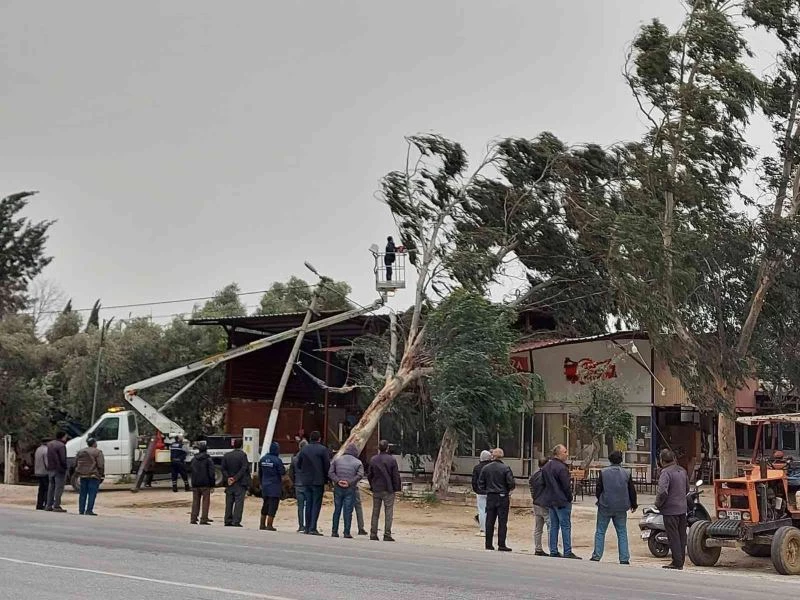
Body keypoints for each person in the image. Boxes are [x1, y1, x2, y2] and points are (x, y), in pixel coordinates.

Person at [590, 450, 638, 564]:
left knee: (600, 531)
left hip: (605, 505)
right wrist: (633, 504)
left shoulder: (603, 472)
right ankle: (624, 558)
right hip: (621, 507)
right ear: (621, 460)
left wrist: (600, 499)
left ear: (610, 460)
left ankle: (597, 556)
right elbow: (631, 490)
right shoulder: (627, 473)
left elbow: (598, 489)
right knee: (622, 532)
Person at [540, 444, 581, 559]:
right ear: (558, 454)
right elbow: (566, 486)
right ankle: (567, 551)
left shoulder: (546, 467)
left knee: (554, 526)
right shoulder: (562, 468)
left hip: (551, 500)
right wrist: (569, 498)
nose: (567, 454)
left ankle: (553, 550)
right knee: (565, 526)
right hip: (562, 501)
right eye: (565, 452)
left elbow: (543, 483)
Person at [656, 448, 689, 570]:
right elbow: (687, 489)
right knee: (681, 536)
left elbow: (662, 492)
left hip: (670, 510)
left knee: (673, 536)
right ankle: (680, 560)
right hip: (682, 508)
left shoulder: (665, 473)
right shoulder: (682, 471)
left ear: (661, 460)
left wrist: (658, 504)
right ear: (674, 458)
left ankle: (677, 562)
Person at [478, 448, 515, 552]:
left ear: (492, 456)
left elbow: (481, 483)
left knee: (490, 520)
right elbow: (511, 483)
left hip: (490, 496)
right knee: (502, 521)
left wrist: (487, 490)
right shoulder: (505, 468)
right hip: (502, 496)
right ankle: (501, 544)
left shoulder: (486, 468)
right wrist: (507, 490)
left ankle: (488, 544)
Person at [295, 430, 330, 535]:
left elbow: (298, 464)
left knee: (308, 503)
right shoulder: (323, 449)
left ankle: (307, 527)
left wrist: (304, 473)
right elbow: (327, 465)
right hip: (318, 480)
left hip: (306, 481)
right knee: (316, 504)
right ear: (319, 439)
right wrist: (327, 479)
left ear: (310, 438)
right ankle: (312, 527)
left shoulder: (304, 449)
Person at [368, 439, 401, 541]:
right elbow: (395, 476)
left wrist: (372, 485)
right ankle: (387, 534)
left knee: (375, 512)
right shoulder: (392, 460)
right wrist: (396, 488)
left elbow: (370, 475)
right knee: (388, 512)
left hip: (377, 489)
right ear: (387, 448)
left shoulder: (373, 459)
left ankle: (373, 533)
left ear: (379, 448)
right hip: (388, 489)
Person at [329, 444, 364, 538]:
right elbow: (360, 474)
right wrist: (350, 482)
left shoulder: (337, 460)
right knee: (348, 511)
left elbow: (330, 473)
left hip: (338, 488)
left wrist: (338, 480)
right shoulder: (358, 462)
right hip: (350, 488)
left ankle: (334, 531)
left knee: (337, 509)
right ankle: (346, 532)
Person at [221, 438, 251, 527]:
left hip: (229, 483)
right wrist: (235, 478)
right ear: (241, 445)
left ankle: (227, 520)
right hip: (240, 482)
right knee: (239, 503)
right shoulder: (243, 455)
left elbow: (223, 468)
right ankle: (236, 521)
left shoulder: (227, 455)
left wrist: (228, 478)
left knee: (229, 502)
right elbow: (244, 468)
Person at [259, 441, 286, 531]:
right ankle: (269, 525)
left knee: (265, 504)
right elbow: (282, 472)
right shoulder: (277, 460)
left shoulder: (263, 459)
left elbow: (260, 473)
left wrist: (261, 483)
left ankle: (262, 524)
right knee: (273, 506)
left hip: (265, 486)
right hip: (274, 487)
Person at [75, 437, 104, 516]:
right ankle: (89, 510)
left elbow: (75, 463)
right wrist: (101, 474)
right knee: (92, 494)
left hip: (82, 475)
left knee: (82, 493)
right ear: (94, 443)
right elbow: (100, 465)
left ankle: (81, 510)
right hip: (93, 475)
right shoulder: (97, 452)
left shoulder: (80, 451)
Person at [190, 441, 215, 525]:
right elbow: (211, 473)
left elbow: (191, 471)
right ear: (206, 450)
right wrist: (212, 484)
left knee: (195, 501)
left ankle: (193, 518)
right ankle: (204, 518)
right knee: (205, 502)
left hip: (195, 483)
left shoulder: (194, 459)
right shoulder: (208, 460)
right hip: (205, 484)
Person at [528, 457, 550, 556]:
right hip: (545, 503)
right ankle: (552, 548)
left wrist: (535, 498)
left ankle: (538, 548)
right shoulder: (547, 476)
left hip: (536, 503)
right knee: (550, 526)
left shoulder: (533, 476)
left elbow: (531, 489)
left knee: (538, 528)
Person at [45, 431, 68, 513]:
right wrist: (65, 467)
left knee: (51, 487)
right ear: (62, 437)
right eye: (65, 437)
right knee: (59, 488)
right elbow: (63, 458)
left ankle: (48, 505)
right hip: (59, 469)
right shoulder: (61, 446)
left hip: (51, 468)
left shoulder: (50, 444)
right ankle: (56, 505)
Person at [472, 450, 492, 537]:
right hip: (491, 492)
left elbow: (474, 480)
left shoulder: (477, 468)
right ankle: (492, 528)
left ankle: (483, 530)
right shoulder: (492, 467)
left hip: (480, 492)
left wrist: (476, 489)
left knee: (482, 510)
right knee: (491, 511)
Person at [290, 439, 308, 532]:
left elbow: (291, 473)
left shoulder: (294, 459)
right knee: (309, 505)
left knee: (300, 507)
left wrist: (294, 481)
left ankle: (301, 525)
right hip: (307, 484)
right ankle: (308, 525)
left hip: (298, 484)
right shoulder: (309, 458)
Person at [34, 439, 49, 510]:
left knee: (41, 489)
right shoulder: (46, 450)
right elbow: (47, 463)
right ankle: (46, 504)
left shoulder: (38, 449)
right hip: (44, 472)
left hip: (38, 471)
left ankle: (39, 505)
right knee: (47, 489)